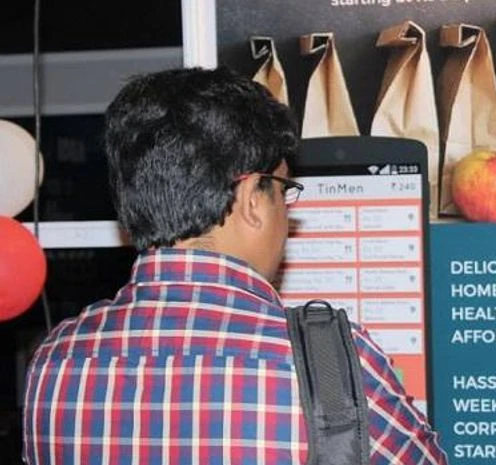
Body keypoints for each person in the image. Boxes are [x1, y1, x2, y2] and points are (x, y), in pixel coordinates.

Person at [23, 67, 447, 465]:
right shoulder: (332, 364)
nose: (287, 213)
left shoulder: (55, 362)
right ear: (250, 199)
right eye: (282, 189)